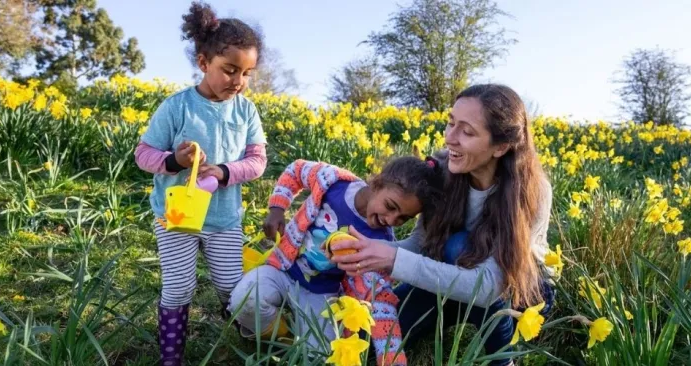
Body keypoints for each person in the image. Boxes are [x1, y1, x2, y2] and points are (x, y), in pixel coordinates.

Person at [331, 84, 554, 366]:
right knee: (369, 346)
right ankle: (450, 307)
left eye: (467, 131)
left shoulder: (532, 191)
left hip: (517, 292)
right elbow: (420, 245)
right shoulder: (444, 169)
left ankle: (502, 360)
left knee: (459, 246)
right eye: (450, 124)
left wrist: (393, 260)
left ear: (501, 147)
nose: (451, 138)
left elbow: (487, 287)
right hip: (450, 278)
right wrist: (367, 251)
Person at [133, 2, 267, 365]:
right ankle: (171, 356)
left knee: (231, 288)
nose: (238, 81)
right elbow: (143, 154)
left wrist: (223, 172)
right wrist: (175, 161)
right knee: (178, 288)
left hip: (224, 219)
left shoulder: (246, 111)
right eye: (229, 70)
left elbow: (257, 162)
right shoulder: (176, 107)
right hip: (175, 217)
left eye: (246, 73)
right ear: (204, 62)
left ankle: (245, 342)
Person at [229, 156, 444, 366]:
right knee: (242, 302)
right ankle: (283, 335)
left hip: (321, 295)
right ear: (377, 182)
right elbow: (295, 170)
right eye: (390, 206)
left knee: (322, 356)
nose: (390, 220)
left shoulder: (379, 242)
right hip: (283, 269)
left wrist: (391, 359)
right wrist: (277, 208)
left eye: (402, 219)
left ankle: (295, 336)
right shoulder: (332, 182)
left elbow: (380, 299)